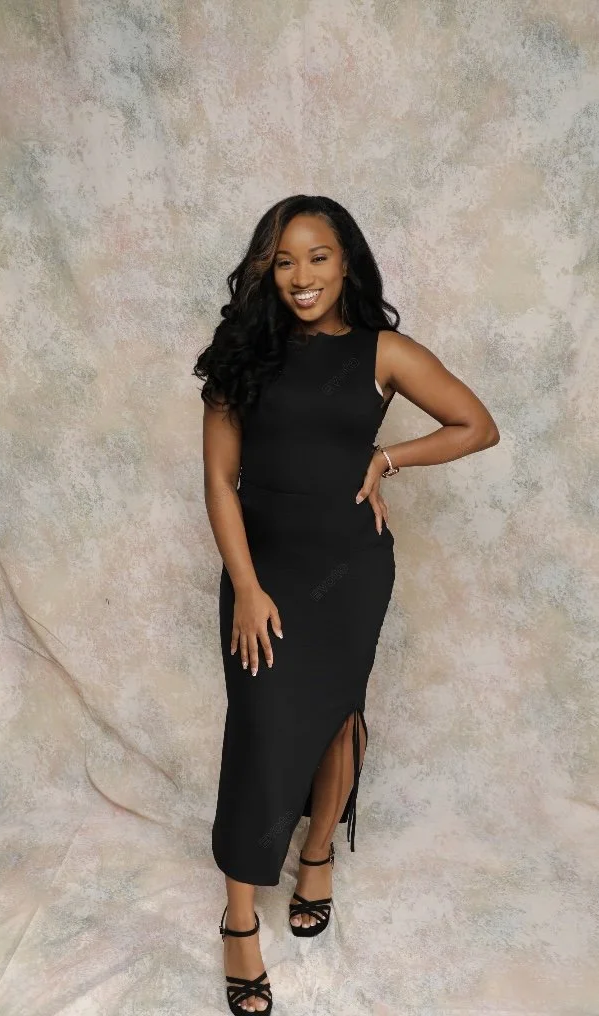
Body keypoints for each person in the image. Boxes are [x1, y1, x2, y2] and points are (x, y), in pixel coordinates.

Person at [193, 195, 499, 1014]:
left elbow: (476, 424)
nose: (301, 277)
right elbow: (219, 481)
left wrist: (388, 459)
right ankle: (237, 926)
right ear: (266, 268)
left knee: (335, 712)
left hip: (351, 569)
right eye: (284, 260)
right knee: (259, 725)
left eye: (318, 257)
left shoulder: (382, 351)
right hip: (264, 571)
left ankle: (318, 851)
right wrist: (248, 587)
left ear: (346, 262)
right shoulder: (238, 356)